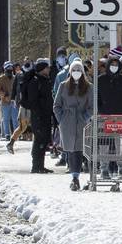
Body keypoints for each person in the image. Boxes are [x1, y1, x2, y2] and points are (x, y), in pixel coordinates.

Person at [53, 60, 93, 192]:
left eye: (79, 70)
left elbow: (92, 107)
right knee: (70, 149)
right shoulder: (63, 86)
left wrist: (84, 117)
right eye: (74, 70)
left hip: (81, 121)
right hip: (67, 122)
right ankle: (74, 177)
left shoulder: (88, 87)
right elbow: (56, 105)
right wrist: (62, 119)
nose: (76, 72)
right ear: (70, 72)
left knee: (79, 149)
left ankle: (76, 175)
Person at [19, 59, 55, 174]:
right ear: (42, 69)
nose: (49, 69)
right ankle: (36, 166)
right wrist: (40, 111)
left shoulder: (45, 80)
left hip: (45, 115)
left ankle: (41, 165)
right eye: (47, 68)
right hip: (39, 115)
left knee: (44, 140)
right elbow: (33, 100)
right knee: (39, 139)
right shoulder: (35, 82)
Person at [0, 62, 18, 145]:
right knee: (6, 119)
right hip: (5, 102)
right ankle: (7, 134)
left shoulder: (15, 78)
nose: (10, 72)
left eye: (11, 70)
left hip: (14, 102)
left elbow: (18, 89)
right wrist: (4, 94)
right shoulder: (1, 78)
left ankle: (16, 135)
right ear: (5, 70)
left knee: (15, 119)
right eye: (8, 70)